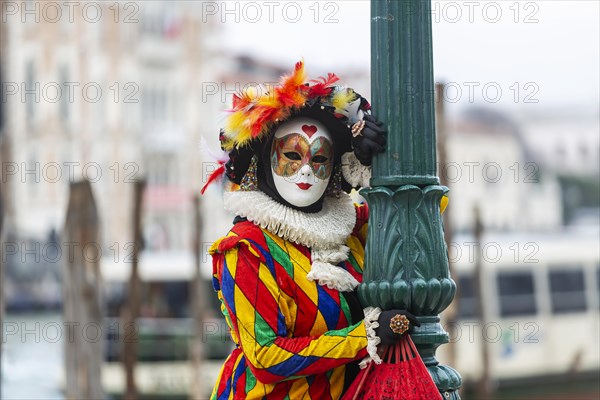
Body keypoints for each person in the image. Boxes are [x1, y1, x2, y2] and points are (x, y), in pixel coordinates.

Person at [204, 61, 418, 399]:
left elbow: (416, 220)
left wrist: (375, 170)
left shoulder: (349, 228)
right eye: (292, 154)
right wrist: (365, 337)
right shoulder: (247, 249)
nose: (305, 170)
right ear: (263, 161)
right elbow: (264, 357)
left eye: (319, 159)